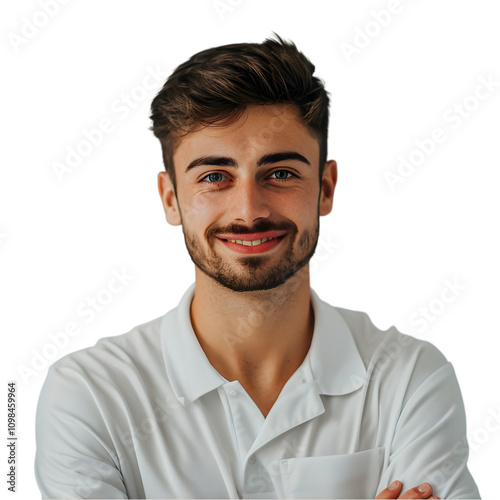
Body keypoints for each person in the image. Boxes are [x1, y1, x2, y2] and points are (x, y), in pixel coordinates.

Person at [35, 35, 480, 499]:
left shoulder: (410, 378)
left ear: (325, 188)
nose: (248, 211)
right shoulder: (89, 394)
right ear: (171, 199)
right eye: (214, 177)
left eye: (281, 173)